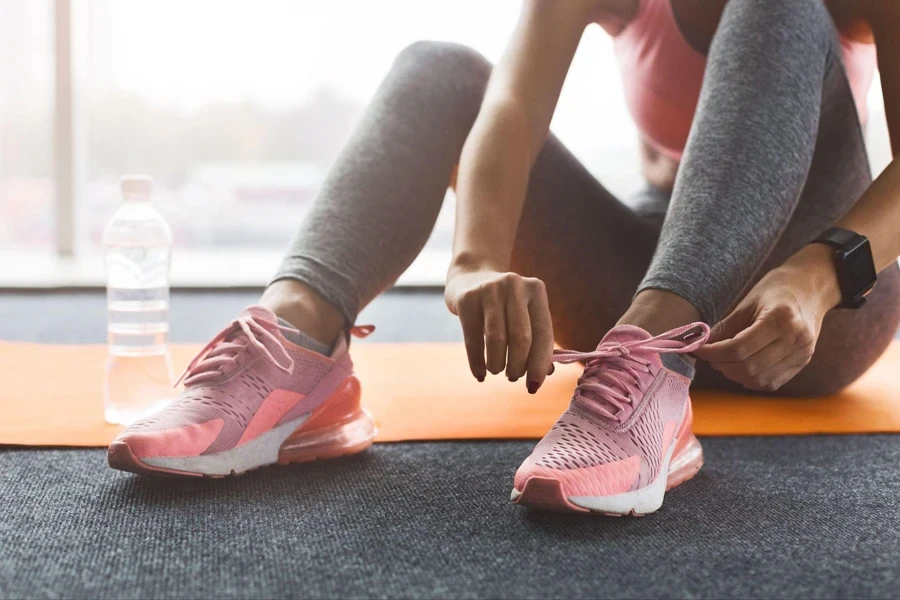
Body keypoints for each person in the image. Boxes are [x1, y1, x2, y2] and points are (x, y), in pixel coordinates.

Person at [108, 0, 900, 515]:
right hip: (656, 262)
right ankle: (300, 347)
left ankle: (653, 366)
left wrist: (820, 273)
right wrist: (475, 260)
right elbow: (510, 107)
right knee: (439, 68)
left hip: (819, 305)